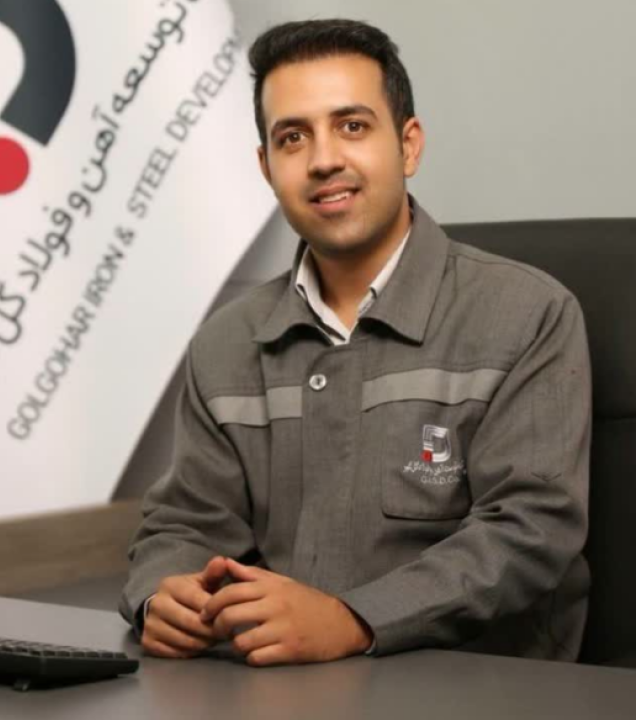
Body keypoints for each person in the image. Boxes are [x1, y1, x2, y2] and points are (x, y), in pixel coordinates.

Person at [120, 18, 591, 666]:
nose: (323, 160)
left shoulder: (528, 314)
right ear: (266, 167)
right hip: (275, 690)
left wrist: (354, 620)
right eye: (292, 137)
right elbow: (185, 524)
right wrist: (161, 594)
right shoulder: (225, 344)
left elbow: (530, 530)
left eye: (351, 126)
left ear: (408, 145)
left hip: (474, 690)